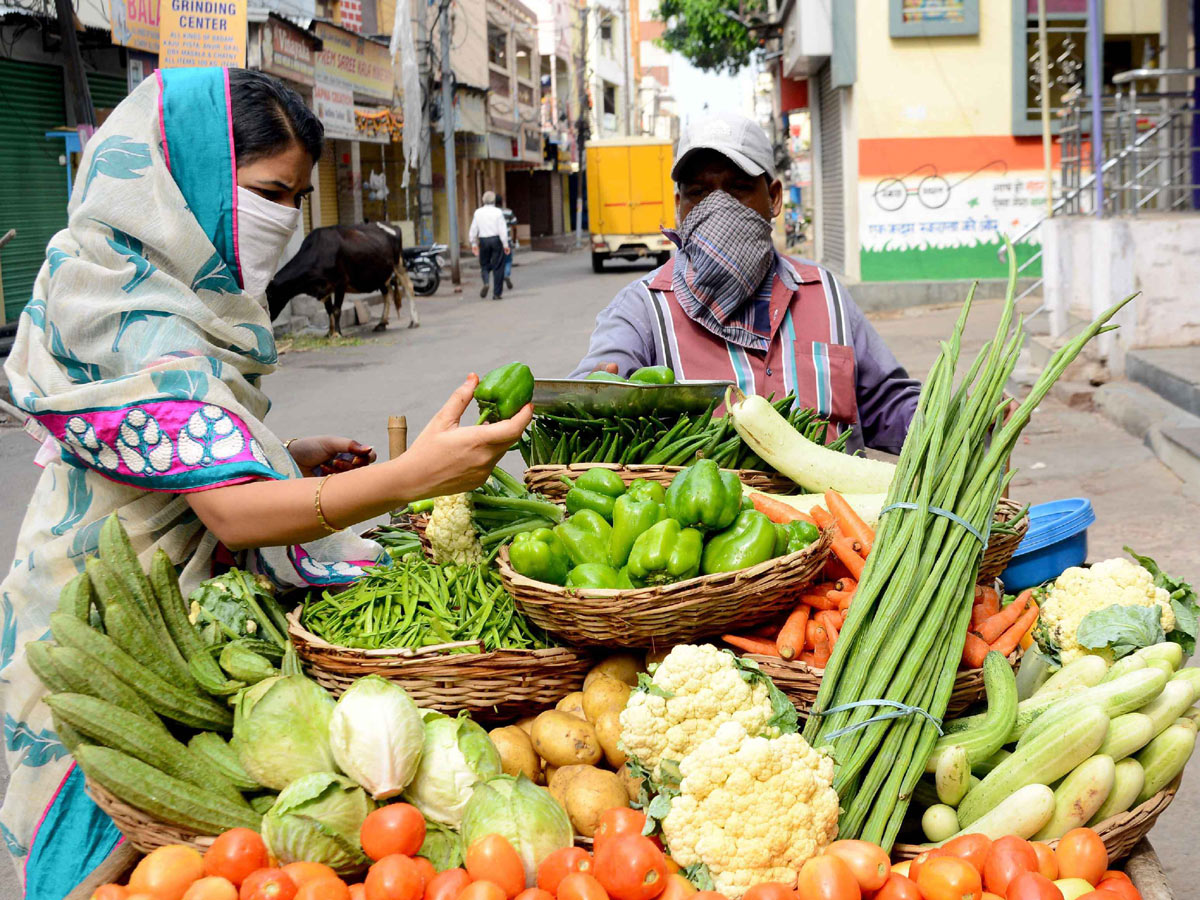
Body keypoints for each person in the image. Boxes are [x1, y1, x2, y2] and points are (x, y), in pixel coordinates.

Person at [0, 67, 529, 898]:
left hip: (163, 622)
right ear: (189, 178)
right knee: (113, 862)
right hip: (108, 634)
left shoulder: (147, 279)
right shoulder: (137, 313)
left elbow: (162, 446)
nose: (285, 220)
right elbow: (233, 513)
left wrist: (277, 448)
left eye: (297, 197)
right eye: (269, 191)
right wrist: (408, 479)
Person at [571, 111, 920, 454]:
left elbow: (887, 404)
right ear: (680, 206)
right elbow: (587, 399)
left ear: (774, 198)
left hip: (835, 509)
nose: (719, 208)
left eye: (738, 189)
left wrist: (956, 419)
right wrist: (593, 399)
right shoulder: (644, 310)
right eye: (699, 193)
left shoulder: (824, 295)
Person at [468, 190, 511, 300]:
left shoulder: (478, 212)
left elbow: (473, 229)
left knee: (484, 264)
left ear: (483, 200)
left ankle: (486, 282)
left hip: (483, 240)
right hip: (496, 240)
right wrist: (505, 244)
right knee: (498, 266)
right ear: (494, 200)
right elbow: (502, 229)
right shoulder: (498, 212)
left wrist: (473, 243)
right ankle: (497, 293)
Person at [495, 194, 517, 291]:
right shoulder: (508, 212)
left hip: (495, 240)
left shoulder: (491, 213)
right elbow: (514, 226)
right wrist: (514, 239)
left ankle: (498, 281)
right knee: (508, 260)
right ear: (502, 202)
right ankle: (506, 274)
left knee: (497, 262)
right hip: (507, 240)